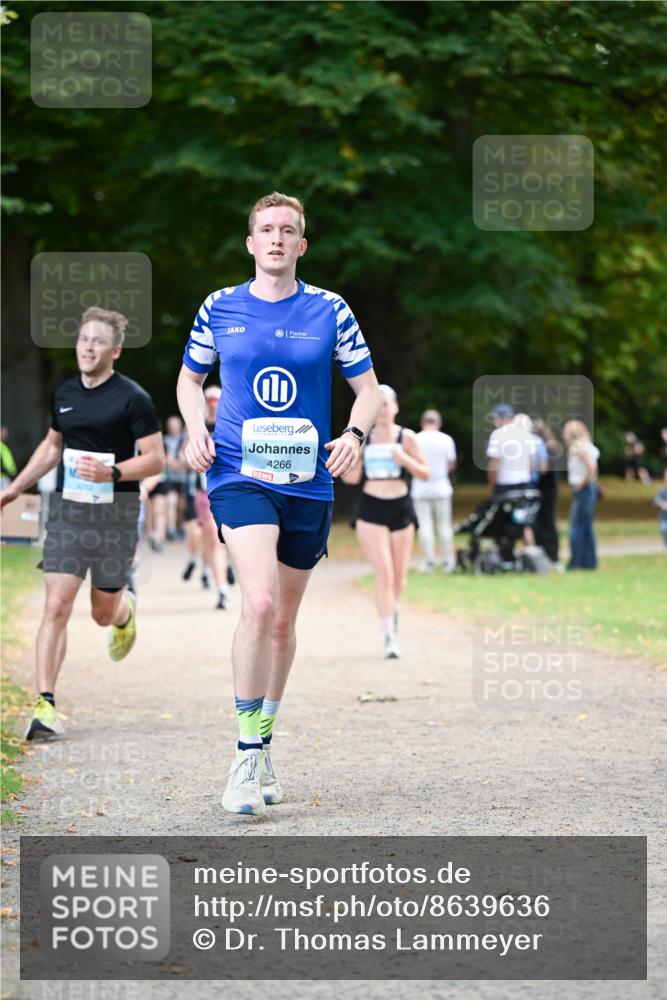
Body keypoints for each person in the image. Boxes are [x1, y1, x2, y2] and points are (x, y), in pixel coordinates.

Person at [176, 191, 381, 816]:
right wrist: (195, 428)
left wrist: (354, 435)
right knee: (259, 603)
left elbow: (368, 390)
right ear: (250, 242)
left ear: (301, 244)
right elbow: (190, 378)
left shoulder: (330, 309)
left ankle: (264, 743)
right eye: (265, 229)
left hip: (308, 480)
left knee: (284, 621)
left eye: (287, 230)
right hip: (238, 472)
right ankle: (244, 755)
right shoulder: (220, 306)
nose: (275, 238)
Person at [0, 307, 164, 739]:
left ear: (115, 350)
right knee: (56, 604)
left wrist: (112, 473)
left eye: (98, 341)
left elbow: (155, 460)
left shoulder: (133, 398)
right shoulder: (65, 393)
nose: (88, 347)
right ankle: (46, 704)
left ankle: (124, 612)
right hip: (69, 513)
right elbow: (52, 447)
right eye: (83, 339)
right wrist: (15, 488)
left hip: (116, 515)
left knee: (101, 614)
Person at [344, 385, 428, 659]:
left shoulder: (407, 437)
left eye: (386, 404)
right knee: (384, 574)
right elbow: (351, 479)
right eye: (377, 404)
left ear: (395, 407)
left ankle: (393, 606)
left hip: (401, 506)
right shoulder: (363, 439)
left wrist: (405, 460)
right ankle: (389, 635)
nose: (382, 409)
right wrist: (352, 463)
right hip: (371, 508)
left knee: (399, 578)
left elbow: (426, 473)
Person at [411, 409, 456, 573]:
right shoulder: (446, 439)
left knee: (425, 526)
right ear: (439, 423)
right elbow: (451, 464)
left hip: (421, 488)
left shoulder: (416, 438)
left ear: (422, 423)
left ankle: (429, 561)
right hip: (441, 487)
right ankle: (447, 561)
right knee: (444, 526)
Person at [563, 420, 599, 570]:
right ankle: (589, 562)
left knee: (576, 527)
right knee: (586, 526)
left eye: (566, 431)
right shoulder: (586, 446)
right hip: (587, 490)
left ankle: (576, 562)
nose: (564, 434)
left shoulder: (580, 448)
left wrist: (581, 484)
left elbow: (592, 468)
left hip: (583, 490)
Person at [532, 418, 561, 563]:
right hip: (550, 490)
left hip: (545, 490)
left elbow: (543, 471)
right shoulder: (552, 447)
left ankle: (550, 556)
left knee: (545, 523)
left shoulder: (546, 448)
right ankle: (550, 555)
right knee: (546, 522)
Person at [163, 415, 188, 540]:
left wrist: (178, 463)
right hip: (170, 479)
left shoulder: (185, 439)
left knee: (182, 506)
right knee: (171, 503)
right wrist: (173, 463)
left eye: (176, 426)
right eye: (171, 426)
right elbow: (165, 458)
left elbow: (186, 459)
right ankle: (171, 529)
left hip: (184, 478)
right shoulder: (165, 440)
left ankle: (182, 527)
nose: (173, 428)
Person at [653, 473, 667, 547]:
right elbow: (655, 502)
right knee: (664, 529)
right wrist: (662, 504)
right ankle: (665, 542)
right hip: (664, 516)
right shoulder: (661, 490)